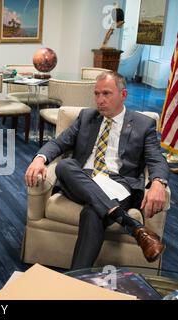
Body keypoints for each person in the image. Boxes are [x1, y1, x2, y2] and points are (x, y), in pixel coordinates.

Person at [25, 71, 169, 269]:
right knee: (65, 166)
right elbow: (59, 143)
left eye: (106, 94)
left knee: (93, 213)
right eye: (97, 94)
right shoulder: (87, 117)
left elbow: (156, 158)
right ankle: (132, 225)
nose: (100, 100)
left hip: (119, 184)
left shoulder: (144, 124)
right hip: (83, 179)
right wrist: (39, 159)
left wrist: (158, 182)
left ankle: (76, 280)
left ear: (123, 95)